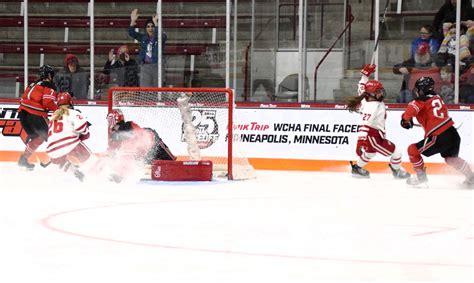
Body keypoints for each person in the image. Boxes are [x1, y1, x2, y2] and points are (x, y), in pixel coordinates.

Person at [400, 76, 474, 188]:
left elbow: (408, 114)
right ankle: (471, 178)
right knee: (451, 159)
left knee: (413, 150)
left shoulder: (420, 100)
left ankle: (421, 180)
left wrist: (405, 121)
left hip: (439, 136)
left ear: (421, 89)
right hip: (453, 133)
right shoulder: (437, 97)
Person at [346, 64, 410, 179]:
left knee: (370, 153)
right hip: (373, 136)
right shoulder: (372, 106)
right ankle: (397, 171)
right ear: (371, 94)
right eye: (378, 92)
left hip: (373, 135)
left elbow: (361, 86)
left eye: (381, 90)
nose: (382, 93)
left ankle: (357, 168)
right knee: (396, 152)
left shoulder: (365, 97)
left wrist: (365, 75)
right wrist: (360, 141)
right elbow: (364, 124)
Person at [99, 109, 176, 182]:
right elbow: (111, 150)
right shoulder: (115, 134)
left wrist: (120, 174)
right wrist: (104, 160)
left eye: (109, 120)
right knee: (145, 165)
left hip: (154, 142)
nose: (108, 123)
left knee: (172, 164)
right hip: (144, 151)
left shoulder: (129, 125)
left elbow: (129, 152)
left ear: (112, 120)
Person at [17, 64, 58, 170]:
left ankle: (23, 159)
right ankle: (65, 160)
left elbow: (23, 99)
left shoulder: (32, 84)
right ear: (49, 75)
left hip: (22, 114)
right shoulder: (48, 85)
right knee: (55, 136)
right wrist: (59, 110)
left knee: (37, 138)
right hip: (35, 115)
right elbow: (47, 102)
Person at [45, 92, 91, 181]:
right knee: (88, 158)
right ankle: (95, 173)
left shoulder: (53, 116)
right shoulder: (73, 113)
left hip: (52, 152)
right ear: (70, 102)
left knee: (62, 159)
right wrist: (82, 135)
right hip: (70, 145)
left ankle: (74, 171)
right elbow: (83, 130)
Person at [128, 8, 167, 87]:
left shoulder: (160, 37)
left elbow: (161, 36)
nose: (150, 28)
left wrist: (156, 23)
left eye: (152, 26)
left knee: (157, 90)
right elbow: (132, 33)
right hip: (145, 66)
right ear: (145, 28)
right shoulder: (143, 37)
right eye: (148, 26)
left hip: (157, 66)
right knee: (144, 90)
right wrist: (132, 21)